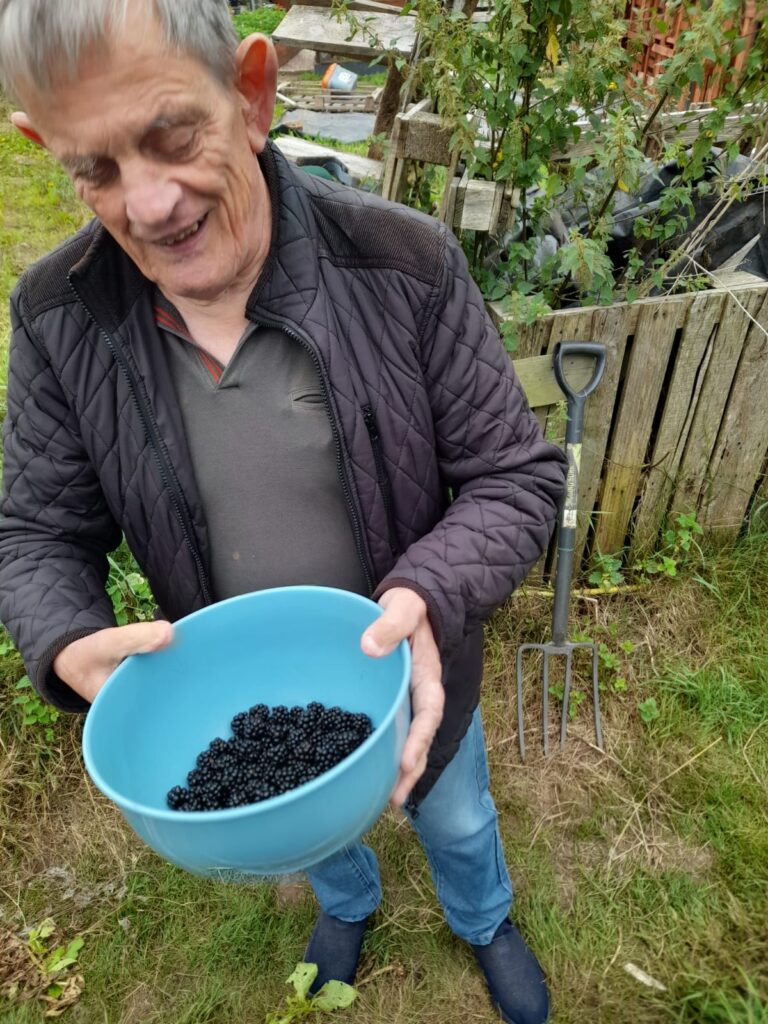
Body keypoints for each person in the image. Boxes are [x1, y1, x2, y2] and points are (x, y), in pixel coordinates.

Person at [0, 2, 567, 1021]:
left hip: (420, 673)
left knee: (458, 813)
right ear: (44, 148)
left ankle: (483, 916)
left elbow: (516, 478)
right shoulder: (55, 319)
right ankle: (344, 902)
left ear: (252, 95)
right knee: (319, 834)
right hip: (247, 701)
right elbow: (36, 528)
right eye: (95, 168)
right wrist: (67, 636)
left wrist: (431, 592)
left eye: (174, 135)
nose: (151, 202)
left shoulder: (407, 266)